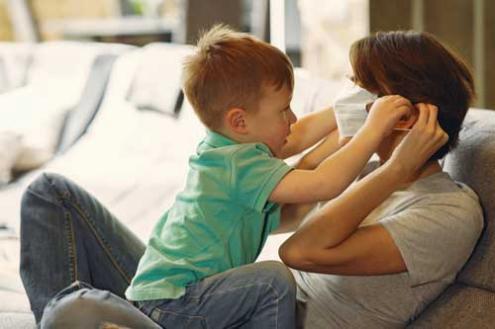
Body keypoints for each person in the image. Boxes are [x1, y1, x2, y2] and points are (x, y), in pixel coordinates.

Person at [19, 26, 445, 329]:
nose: (293, 119)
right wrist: (371, 134)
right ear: (240, 121)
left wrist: (350, 115)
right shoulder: (242, 165)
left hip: (157, 291)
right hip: (174, 305)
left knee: (49, 190)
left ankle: (80, 314)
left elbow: (300, 147)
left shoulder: (233, 148)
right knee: (273, 278)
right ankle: (73, 315)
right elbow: (321, 183)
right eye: (284, 110)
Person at [277, 30, 484, 328]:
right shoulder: (367, 171)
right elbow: (270, 216)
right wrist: (345, 141)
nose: (346, 97)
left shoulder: (450, 213)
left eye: (359, 87)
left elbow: (298, 251)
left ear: (404, 116)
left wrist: (395, 169)